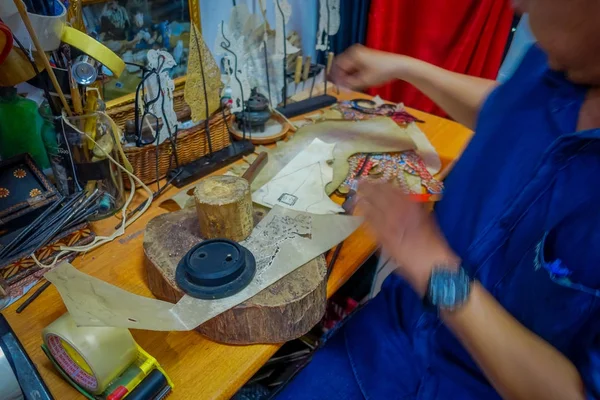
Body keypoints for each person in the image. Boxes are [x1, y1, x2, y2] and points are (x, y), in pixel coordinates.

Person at [276, 0, 600, 399]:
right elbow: (507, 109)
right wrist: (404, 67)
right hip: (391, 336)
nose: (517, 5)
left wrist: (435, 270)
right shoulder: (560, 60)